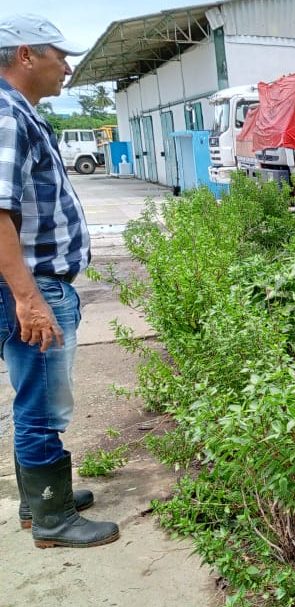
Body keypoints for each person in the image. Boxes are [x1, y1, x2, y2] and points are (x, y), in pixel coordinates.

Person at [0, 14, 118, 548]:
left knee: (40, 396)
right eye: (59, 54)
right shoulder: (7, 114)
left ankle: (41, 500)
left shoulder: (23, 113)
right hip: (34, 285)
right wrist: (27, 298)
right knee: (42, 403)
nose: (67, 66)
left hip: (41, 282)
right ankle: (51, 518)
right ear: (26, 55)